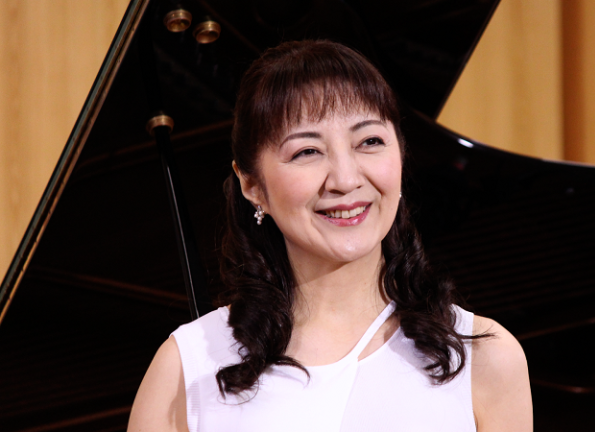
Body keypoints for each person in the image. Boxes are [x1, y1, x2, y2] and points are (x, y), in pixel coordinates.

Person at [127, 40, 532, 432]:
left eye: (369, 142)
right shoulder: (187, 367)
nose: (345, 179)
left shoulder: (484, 356)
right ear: (251, 185)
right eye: (307, 151)